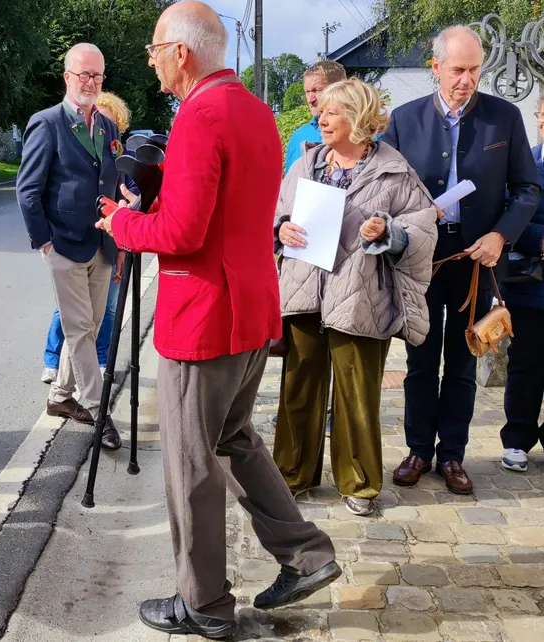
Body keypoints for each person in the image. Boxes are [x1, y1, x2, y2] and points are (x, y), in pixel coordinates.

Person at [98, 3, 340, 637]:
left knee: (192, 459)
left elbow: (181, 231)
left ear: (182, 52)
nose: (151, 61)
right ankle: (306, 554)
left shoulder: (201, 114)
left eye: (155, 50)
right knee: (233, 441)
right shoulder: (255, 109)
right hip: (251, 305)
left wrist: (122, 222)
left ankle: (202, 603)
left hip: (204, 316)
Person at [381, 25, 539, 494]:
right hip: (423, 259)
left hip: (477, 260)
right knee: (420, 359)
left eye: (474, 69)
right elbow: (386, 189)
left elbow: (527, 189)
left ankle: (452, 454)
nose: (467, 79)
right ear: (436, 68)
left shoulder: (504, 117)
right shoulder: (405, 120)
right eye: (457, 70)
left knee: (465, 360)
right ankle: (417, 450)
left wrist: (501, 235)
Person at [274, 79, 438, 516]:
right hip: (304, 291)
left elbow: (424, 227)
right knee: (298, 387)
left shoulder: (394, 170)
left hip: (363, 296)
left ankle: (359, 483)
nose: (321, 119)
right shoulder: (305, 165)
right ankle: (292, 475)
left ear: (359, 119)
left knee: (357, 393)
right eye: (321, 112)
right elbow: (277, 213)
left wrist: (390, 230)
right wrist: (281, 228)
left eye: (332, 112)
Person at [17, 43, 125, 451]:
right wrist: (44, 242)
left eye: (97, 75)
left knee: (90, 326)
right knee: (80, 328)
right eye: (84, 75)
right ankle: (98, 411)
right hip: (63, 243)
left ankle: (60, 396)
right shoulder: (46, 123)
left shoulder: (109, 128)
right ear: (67, 77)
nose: (92, 82)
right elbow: (27, 190)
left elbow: (110, 182)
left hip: (102, 243)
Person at [41, 90, 133, 384]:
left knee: (104, 310)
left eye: (105, 120)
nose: (98, 126)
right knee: (69, 313)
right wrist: (45, 242)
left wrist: (132, 204)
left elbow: (129, 188)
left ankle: (99, 362)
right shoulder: (70, 142)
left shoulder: (120, 156)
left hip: (110, 242)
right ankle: (55, 363)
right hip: (74, 243)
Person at [499, 96, 544, 473]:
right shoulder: (527, 164)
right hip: (531, 286)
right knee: (526, 366)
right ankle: (517, 440)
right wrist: (539, 241)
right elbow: (509, 215)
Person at [283, 61, 346, 175]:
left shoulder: (367, 138)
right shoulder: (298, 137)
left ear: (339, 89)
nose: (310, 99)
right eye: (307, 92)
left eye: (316, 90)